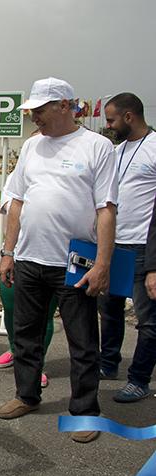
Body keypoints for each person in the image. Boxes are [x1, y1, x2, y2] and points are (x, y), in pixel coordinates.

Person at [0, 77, 117, 444]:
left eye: (39, 110)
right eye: (31, 111)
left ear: (64, 106)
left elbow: (106, 209)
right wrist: (8, 252)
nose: (34, 117)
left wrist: (102, 264)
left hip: (74, 262)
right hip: (29, 257)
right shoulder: (32, 146)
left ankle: (85, 412)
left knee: (83, 341)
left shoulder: (96, 147)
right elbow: (17, 202)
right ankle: (26, 395)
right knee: (26, 335)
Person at [98, 93, 156, 403]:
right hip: (113, 246)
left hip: (144, 248)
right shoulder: (116, 151)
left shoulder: (154, 148)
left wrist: (154, 265)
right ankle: (108, 364)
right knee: (109, 311)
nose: (108, 126)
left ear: (129, 117)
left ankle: (139, 379)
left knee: (148, 320)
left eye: (111, 120)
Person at [0, 189, 55, 388]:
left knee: (44, 315)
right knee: (10, 306)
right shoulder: (18, 177)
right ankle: (15, 350)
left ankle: (37, 364)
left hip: (54, 255)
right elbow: (11, 207)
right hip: (19, 251)